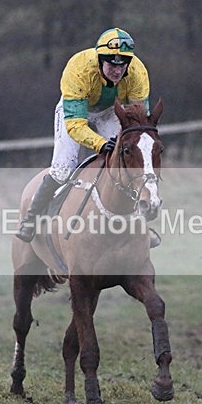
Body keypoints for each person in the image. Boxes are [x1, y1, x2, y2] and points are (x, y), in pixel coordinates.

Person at [16, 27, 151, 242]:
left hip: (109, 111)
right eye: (111, 64)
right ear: (100, 60)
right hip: (76, 112)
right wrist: (100, 144)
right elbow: (76, 125)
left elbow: (138, 118)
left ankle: (139, 222)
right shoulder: (79, 68)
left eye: (122, 65)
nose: (117, 71)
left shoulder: (137, 72)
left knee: (124, 162)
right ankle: (30, 219)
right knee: (63, 168)